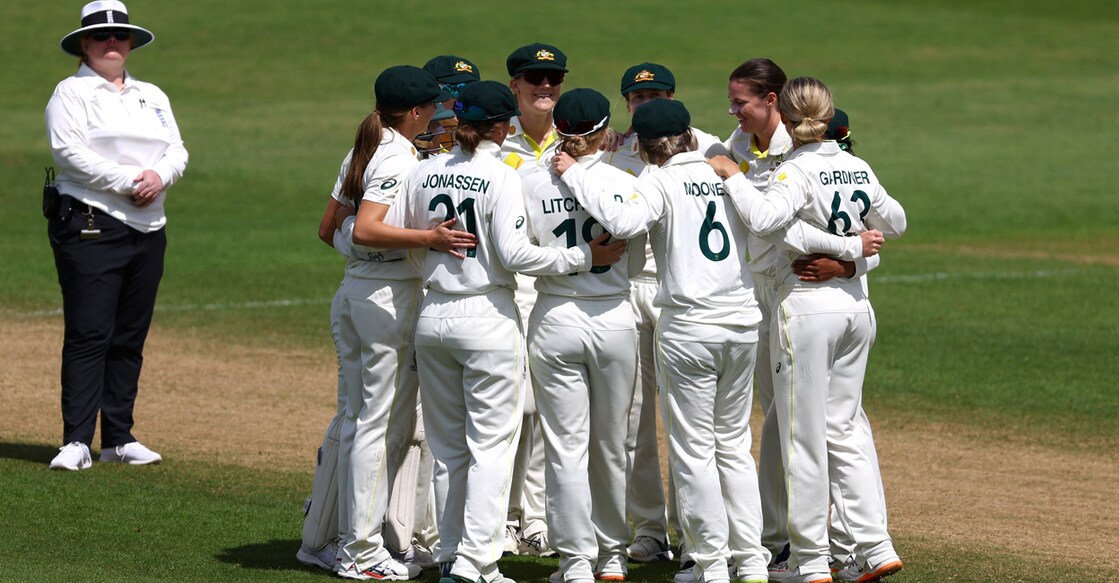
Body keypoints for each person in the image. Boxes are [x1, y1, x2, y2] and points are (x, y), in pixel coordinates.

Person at [369, 80, 625, 583]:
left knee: (448, 449)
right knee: (491, 445)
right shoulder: (501, 176)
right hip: (487, 316)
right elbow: (515, 256)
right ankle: (475, 562)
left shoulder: (424, 170)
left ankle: (449, 554)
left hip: (434, 314)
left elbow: (400, 234)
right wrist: (582, 257)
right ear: (504, 126)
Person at [709, 76, 906, 583]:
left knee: (803, 435)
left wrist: (731, 175)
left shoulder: (795, 169)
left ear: (789, 119)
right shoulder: (856, 164)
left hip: (808, 309)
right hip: (857, 310)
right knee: (846, 427)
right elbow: (896, 222)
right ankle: (876, 546)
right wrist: (855, 242)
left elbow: (762, 220)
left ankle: (812, 561)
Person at [323, 65, 468, 582]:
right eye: (433, 106)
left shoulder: (363, 147)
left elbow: (329, 229)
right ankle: (358, 550)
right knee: (377, 426)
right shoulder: (397, 156)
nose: (440, 112)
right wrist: (427, 240)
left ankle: (351, 542)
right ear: (415, 112)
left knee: (365, 421)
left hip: (356, 293)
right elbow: (365, 228)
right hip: (387, 300)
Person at [45, 0, 188, 471]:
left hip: (149, 225)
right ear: (84, 44)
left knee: (130, 334)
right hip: (91, 221)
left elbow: (176, 149)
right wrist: (130, 182)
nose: (112, 42)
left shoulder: (152, 95)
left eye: (120, 36)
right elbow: (69, 153)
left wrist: (159, 177)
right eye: (102, 36)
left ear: (130, 44)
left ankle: (119, 438)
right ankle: (77, 441)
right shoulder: (71, 92)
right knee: (90, 332)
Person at [603, 62, 729, 566]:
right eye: (636, 97)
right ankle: (651, 530)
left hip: (685, 295)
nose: (645, 103)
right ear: (626, 103)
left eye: (655, 95)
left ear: (673, 97)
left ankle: (694, 535)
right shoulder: (615, 152)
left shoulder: (710, 145)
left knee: (692, 424)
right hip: (630, 290)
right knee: (634, 420)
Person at [521, 89, 639, 583]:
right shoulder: (618, 178)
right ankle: (612, 556)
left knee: (565, 446)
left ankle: (575, 562)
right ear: (604, 129)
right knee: (611, 445)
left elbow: (517, 249)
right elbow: (632, 226)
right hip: (613, 318)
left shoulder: (526, 179)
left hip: (554, 317)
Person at [501, 41, 570, 557]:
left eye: (554, 79)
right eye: (534, 78)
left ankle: (538, 519)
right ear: (514, 86)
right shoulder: (493, 141)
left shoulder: (582, 141)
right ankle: (502, 516)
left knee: (548, 411)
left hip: (559, 288)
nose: (545, 87)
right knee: (509, 411)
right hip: (509, 291)